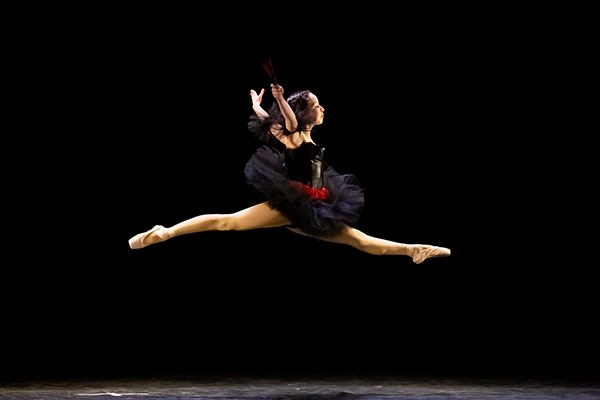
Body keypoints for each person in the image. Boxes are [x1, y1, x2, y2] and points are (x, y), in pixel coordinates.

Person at [128, 82, 450, 264]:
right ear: (302, 112)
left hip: (316, 208)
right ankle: (165, 231)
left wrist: (258, 106)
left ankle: (413, 250)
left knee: (359, 240)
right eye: (317, 105)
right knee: (226, 222)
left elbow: (273, 121)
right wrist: (280, 99)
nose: (322, 108)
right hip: (292, 204)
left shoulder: (300, 135)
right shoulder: (293, 135)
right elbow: (288, 122)